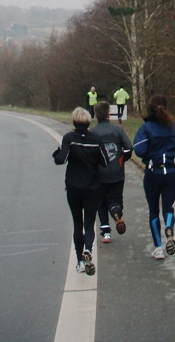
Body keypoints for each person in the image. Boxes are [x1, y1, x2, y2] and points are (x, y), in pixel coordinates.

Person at [133, 95, 175, 260]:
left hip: (153, 173)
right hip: (171, 173)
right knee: (169, 207)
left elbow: (138, 149)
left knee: (153, 209)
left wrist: (151, 152)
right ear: (166, 108)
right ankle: (169, 228)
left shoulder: (146, 128)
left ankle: (158, 247)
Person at [53, 107, 108, 276]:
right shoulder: (96, 139)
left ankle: (79, 262)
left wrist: (56, 152)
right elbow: (105, 162)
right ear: (88, 122)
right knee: (89, 223)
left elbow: (60, 160)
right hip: (92, 187)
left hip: (74, 187)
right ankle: (88, 251)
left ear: (74, 122)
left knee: (78, 222)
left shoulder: (69, 138)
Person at [90, 100, 132, 243]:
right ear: (109, 115)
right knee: (115, 198)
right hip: (116, 171)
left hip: (99, 174)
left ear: (96, 115)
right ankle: (115, 211)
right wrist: (122, 159)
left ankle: (106, 232)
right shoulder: (117, 130)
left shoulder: (93, 132)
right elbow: (128, 148)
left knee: (100, 203)